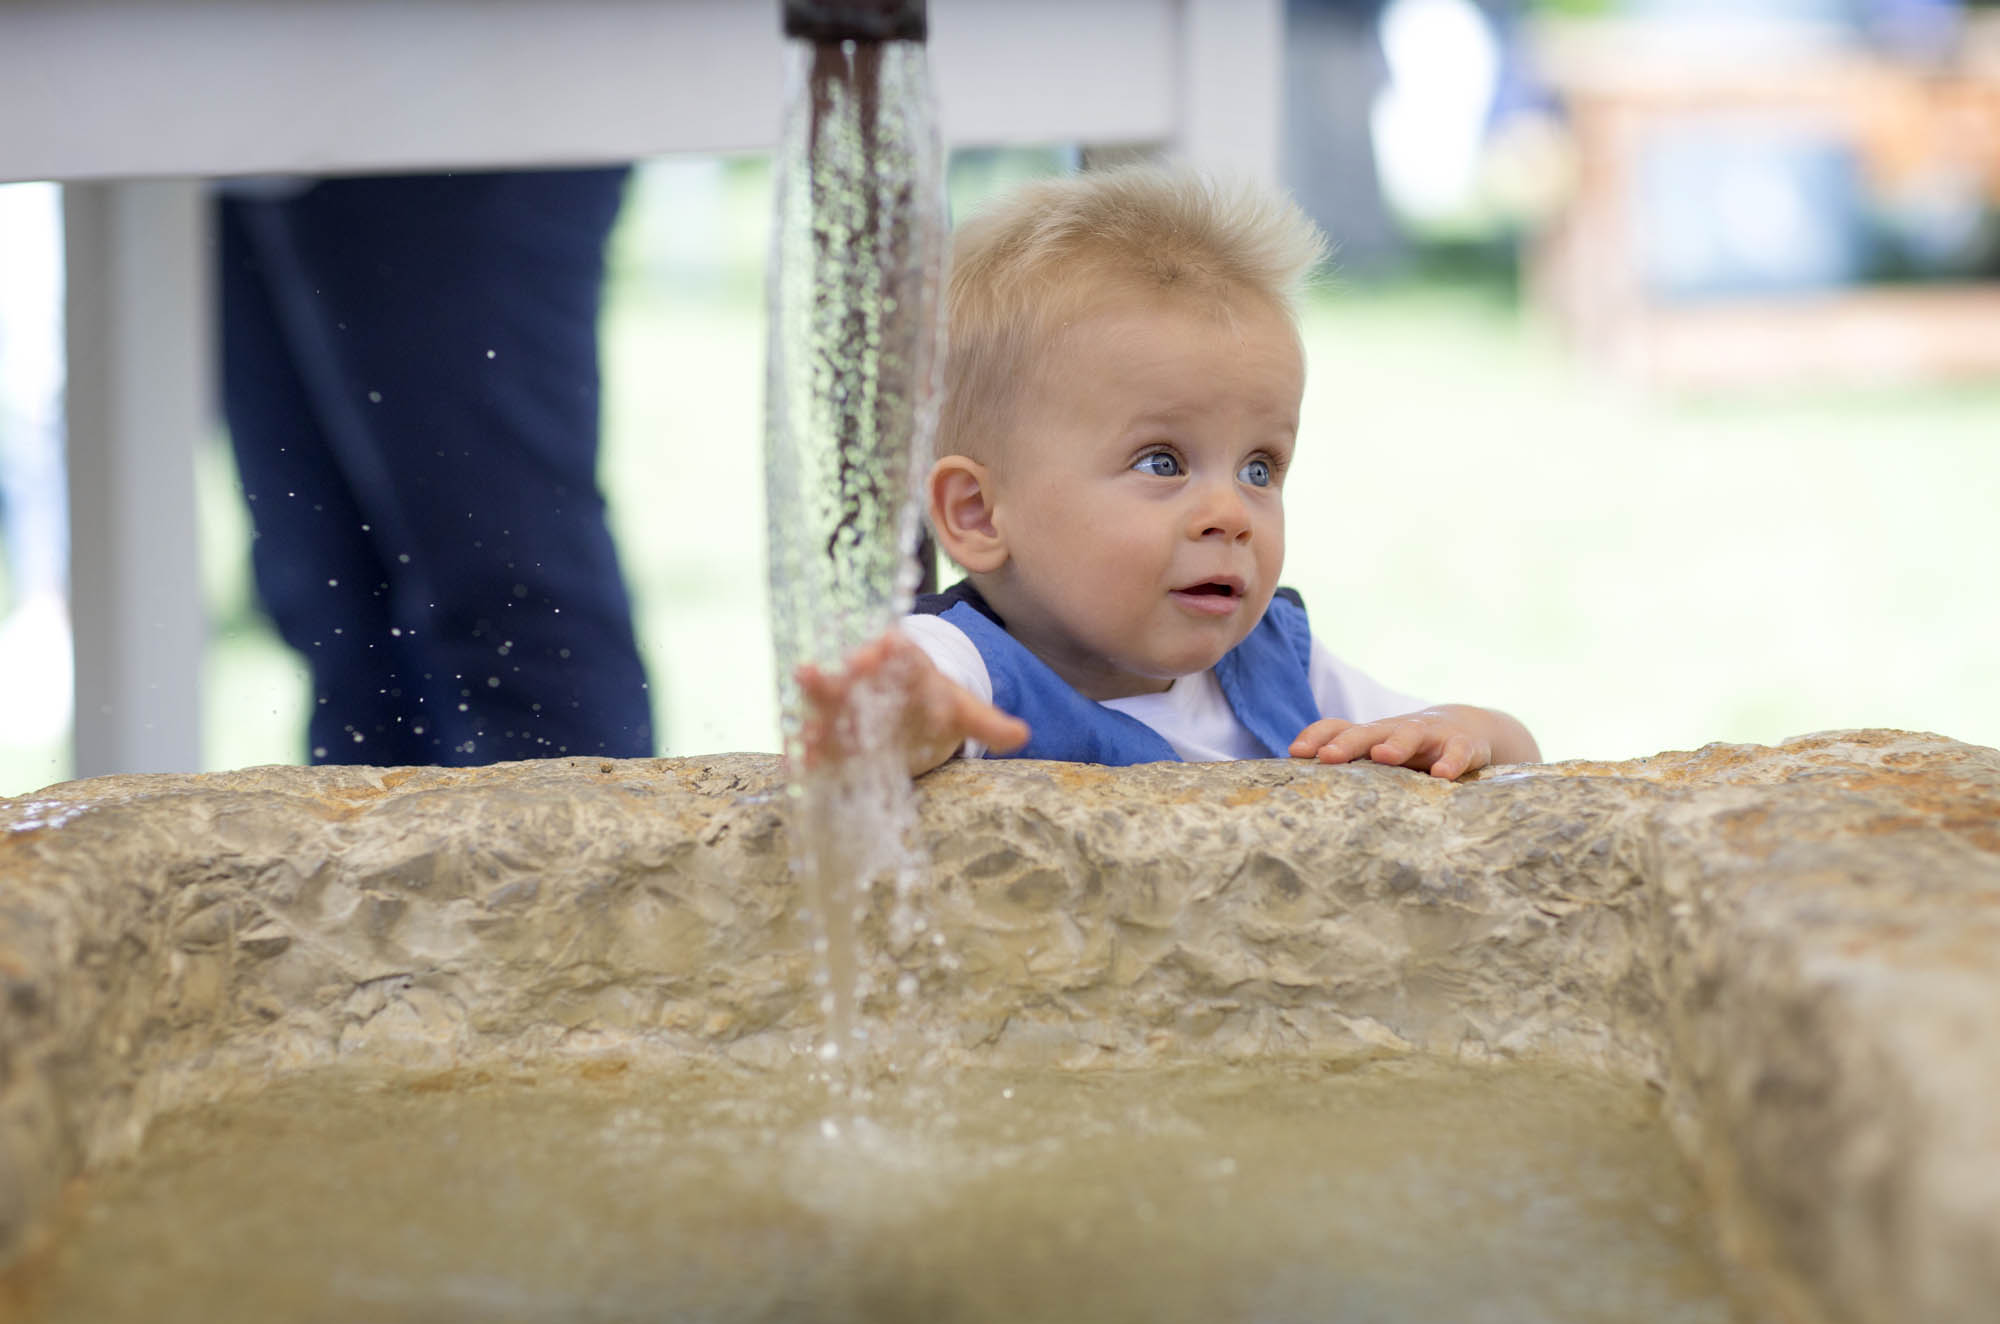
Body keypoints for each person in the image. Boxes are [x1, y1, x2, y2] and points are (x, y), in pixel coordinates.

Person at [800, 164, 1538, 780]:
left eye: (1259, 468)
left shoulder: (1275, 662)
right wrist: (902, 721)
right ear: (978, 513)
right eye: (1163, 462)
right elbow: (893, 709)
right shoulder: (967, 665)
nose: (1232, 514)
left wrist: (1457, 731)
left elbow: (1515, 755)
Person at [218, 168, 652, 766]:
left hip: (456, 143)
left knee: (512, 606)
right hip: (231, 156)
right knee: (339, 616)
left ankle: (587, 828)